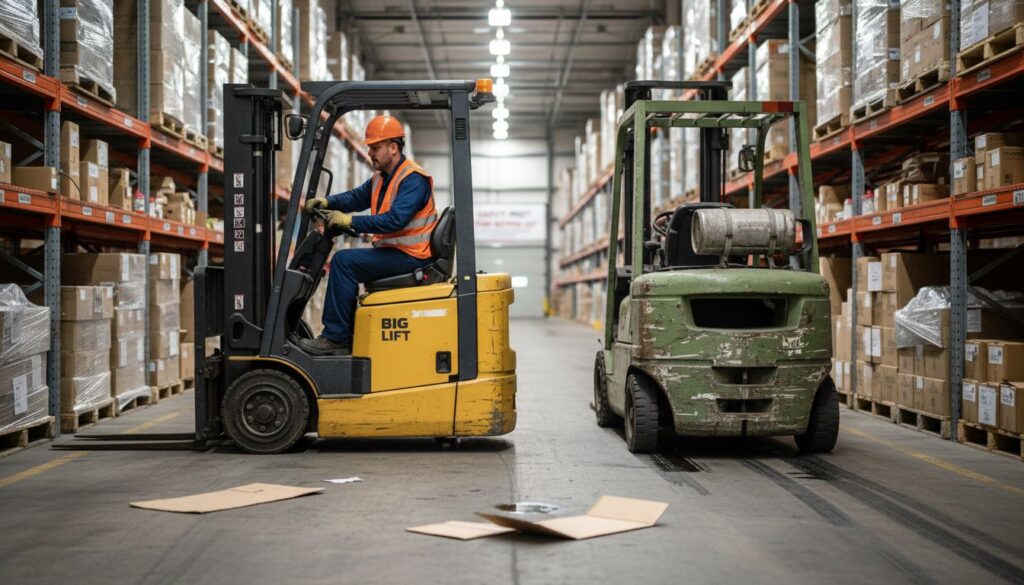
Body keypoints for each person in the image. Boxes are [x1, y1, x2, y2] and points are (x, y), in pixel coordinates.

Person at [299, 115, 437, 355]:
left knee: (344, 262)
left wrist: (350, 220)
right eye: (370, 148)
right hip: (397, 253)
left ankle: (335, 338)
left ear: (393, 147)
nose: (371, 153)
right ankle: (348, 333)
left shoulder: (413, 179)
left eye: (376, 147)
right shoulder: (381, 178)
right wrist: (327, 202)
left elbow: (395, 219)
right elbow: (355, 197)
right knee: (348, 261)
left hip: (413, 257)